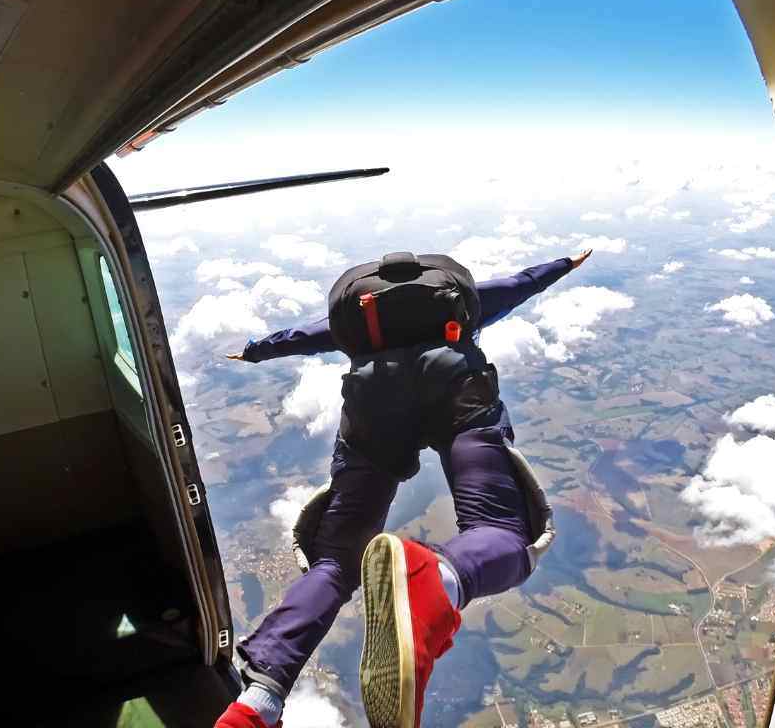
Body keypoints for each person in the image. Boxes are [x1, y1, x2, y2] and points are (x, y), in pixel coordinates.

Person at [215, 249, 592, 728]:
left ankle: (258, 700)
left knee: (334, 561)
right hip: (459, 390)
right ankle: (441, 577)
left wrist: (255, 349)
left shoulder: (361, 317)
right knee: (499, 527)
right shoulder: (452, 299)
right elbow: (519, 285)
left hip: (372, 406)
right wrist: (563, 265)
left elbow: (306, 337)